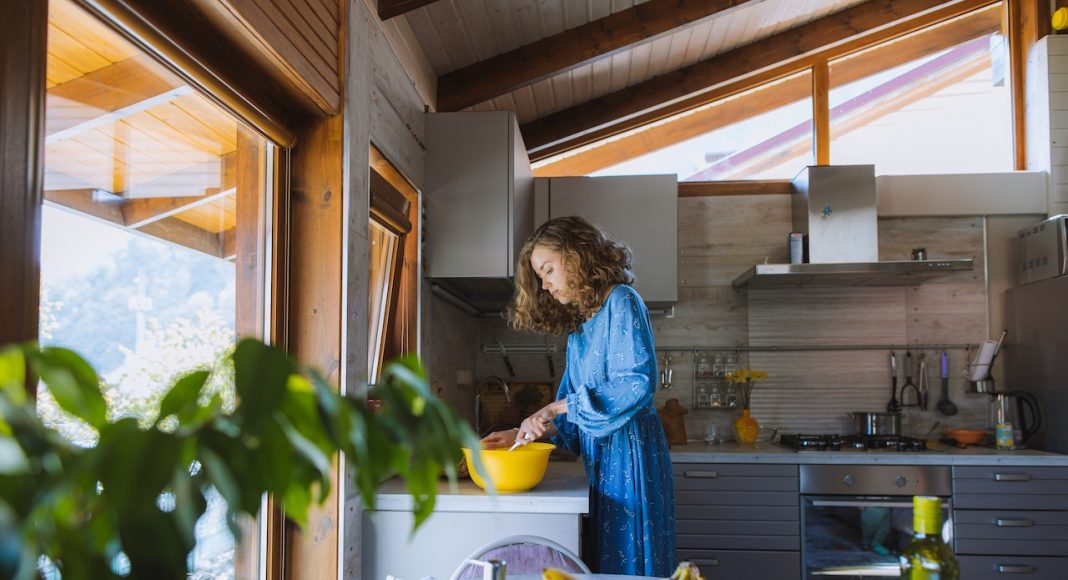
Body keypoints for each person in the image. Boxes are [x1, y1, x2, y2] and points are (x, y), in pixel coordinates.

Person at [481, 216, 676, 577]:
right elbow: (572, 415)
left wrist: (552, 407)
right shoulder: (581, 329)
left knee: (633, 560)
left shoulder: (622, 301)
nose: (545, 285)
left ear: (577, 255)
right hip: (603, 462)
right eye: (540, 277)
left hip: (632, 458)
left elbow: (636, 383)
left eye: (548, 270)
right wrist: (522, 432)